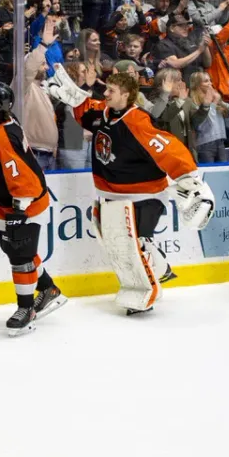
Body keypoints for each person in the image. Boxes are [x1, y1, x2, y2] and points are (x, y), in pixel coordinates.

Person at [47, 69, 214, 315]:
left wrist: (191, 179)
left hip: (144, 195)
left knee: (131, 245)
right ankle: (160, 269)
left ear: (126, 95)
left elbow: (167, 148)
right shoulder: (104, 113)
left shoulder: (138, 121)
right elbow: (87, 113)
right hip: (113, 193)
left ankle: (144, 291)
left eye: (111, 91)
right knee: (120, 243)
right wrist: (78, 100)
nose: (105, 94)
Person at [0, 82, 66, 335]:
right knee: (15, 250)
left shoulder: (1, 136)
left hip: (23, 203)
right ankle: (49, 289)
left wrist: (19, 212)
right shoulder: (0, 124)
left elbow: (23, 179)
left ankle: (26, 308)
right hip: (5, 202)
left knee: (20, 256)